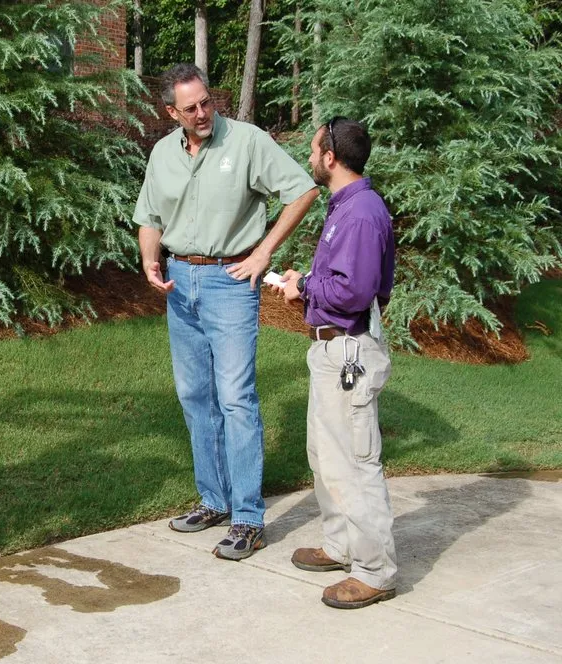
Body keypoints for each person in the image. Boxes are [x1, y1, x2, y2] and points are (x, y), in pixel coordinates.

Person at [133, 64, 318, 560]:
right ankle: (213, 500)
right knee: (196, 396)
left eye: (207, 102)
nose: (202, 113)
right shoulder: (162, 154)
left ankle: (248, 519)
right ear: (170, 112)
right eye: (190, 108)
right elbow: (149, 215)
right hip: (179, 282)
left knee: (237, 398)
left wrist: (263, 255)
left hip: (230, 282)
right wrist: (150, 258)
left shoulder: (247, 141)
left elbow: (303, 190)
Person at [271, 117, 398, 608]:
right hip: (331, 347)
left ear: (330, 157)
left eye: (312, 150)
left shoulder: (362, 212)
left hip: (349, 351)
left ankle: (375, 571)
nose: (308, 158)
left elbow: (355, 290)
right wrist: (303, 284)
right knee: (325, 457)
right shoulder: (345, 205)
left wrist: (303, 286)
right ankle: (342, 545)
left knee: (353, 464)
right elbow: (340, 282)